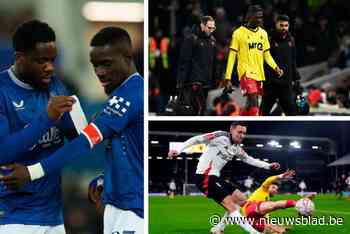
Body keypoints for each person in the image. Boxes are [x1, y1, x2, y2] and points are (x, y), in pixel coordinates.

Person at [0, 27, 144, 234]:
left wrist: (31, 172)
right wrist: (108, 178)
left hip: (131, 211)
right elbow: (128, 150)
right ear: (19, 58)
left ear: (127, 57)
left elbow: (84, 140)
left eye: (106, 64)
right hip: (15, 216)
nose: (100, 73)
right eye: (95, 65)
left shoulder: (129, 96)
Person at [0, 20, 77, 234]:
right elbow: (3, 152)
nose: (50, 67)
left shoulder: (56, 86)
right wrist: (47, 118)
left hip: (53, 217)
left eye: (53, 60)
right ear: (19, 58)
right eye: (41, 61)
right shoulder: (2, 91)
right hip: (13, 218)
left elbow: (78, 140)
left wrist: (96, 126)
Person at [168, 122, 280, 234]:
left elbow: (249, 159)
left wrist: (268, 165)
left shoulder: (236, 148)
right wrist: (178, 150)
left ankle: (219, 228)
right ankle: (254, 232)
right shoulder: (220, 136)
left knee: (241, 200)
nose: (242, 135)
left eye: (244, 133)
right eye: (239, 132)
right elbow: (197, 139)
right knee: (230, 204)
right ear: (231, 130)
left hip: (216, 178)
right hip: (204, 177)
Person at [224, 5, 283, 116]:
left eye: (261, 17)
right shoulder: (238, 33)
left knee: (250, 105)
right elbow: (232, 56)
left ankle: (240, 120)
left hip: (259, 73)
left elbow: (267, 55)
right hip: (245, 72)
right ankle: (256, 124)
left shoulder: (263, 33)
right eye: (257, 17)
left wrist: (276, 67)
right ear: (249, 17)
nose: (260, 20)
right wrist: (228, 78)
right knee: (254, 101)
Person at [212, 170, 314, 234]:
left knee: (277, 231)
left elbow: (265, 218)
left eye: (276, 189)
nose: (275, 190)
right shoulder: (263, 189)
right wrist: (280, 176)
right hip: (249, 209)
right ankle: (297, 203)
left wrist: (275, 227)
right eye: (273, 187)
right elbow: (268, 180)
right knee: (274, 205)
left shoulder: (267, 198)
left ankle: (218, 229)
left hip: (254, 219)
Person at [260, 14, 302, 116]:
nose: (284, 28)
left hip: (286, 85)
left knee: (292, 114)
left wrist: (296, 78)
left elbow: (293, 60)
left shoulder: (291, 40)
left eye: (286, 25)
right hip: (271, 85)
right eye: (281, 25)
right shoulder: (268, 39)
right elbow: (263, 61)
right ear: (276, 25)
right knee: (262, 114)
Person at [176, 15, 217, 115]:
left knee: (199, 109)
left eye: (213, 28)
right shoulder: (191, 39)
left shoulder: (212, 40)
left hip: (206, 82)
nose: (211, 30)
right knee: (199, 108)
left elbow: (213, 62)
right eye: (209, 27)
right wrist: (181, 82)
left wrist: (215, 78)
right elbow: (184, 62)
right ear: (202, 26)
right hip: (193, 82)